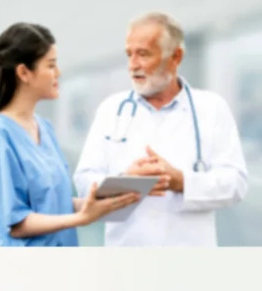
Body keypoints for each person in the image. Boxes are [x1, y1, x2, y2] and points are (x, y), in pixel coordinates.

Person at [73, 12, 248, 246]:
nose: (133, 65)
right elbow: (84, 182)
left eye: (143, 54)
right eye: (129, 54)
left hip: (190, 257)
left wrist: (182, 181)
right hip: (126, 255)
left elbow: (235, 184)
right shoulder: (111, 109)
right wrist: (126, 180)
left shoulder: (212, 108)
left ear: (175, 57)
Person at [0, 22, 140, 247]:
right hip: (20, 268)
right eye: (51, 65)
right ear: (24, 72)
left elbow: (53, 204)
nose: (58, 73)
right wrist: (81, 218)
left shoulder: (45, 128)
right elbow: (16, 223)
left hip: (60, 262)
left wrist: (105, 201)